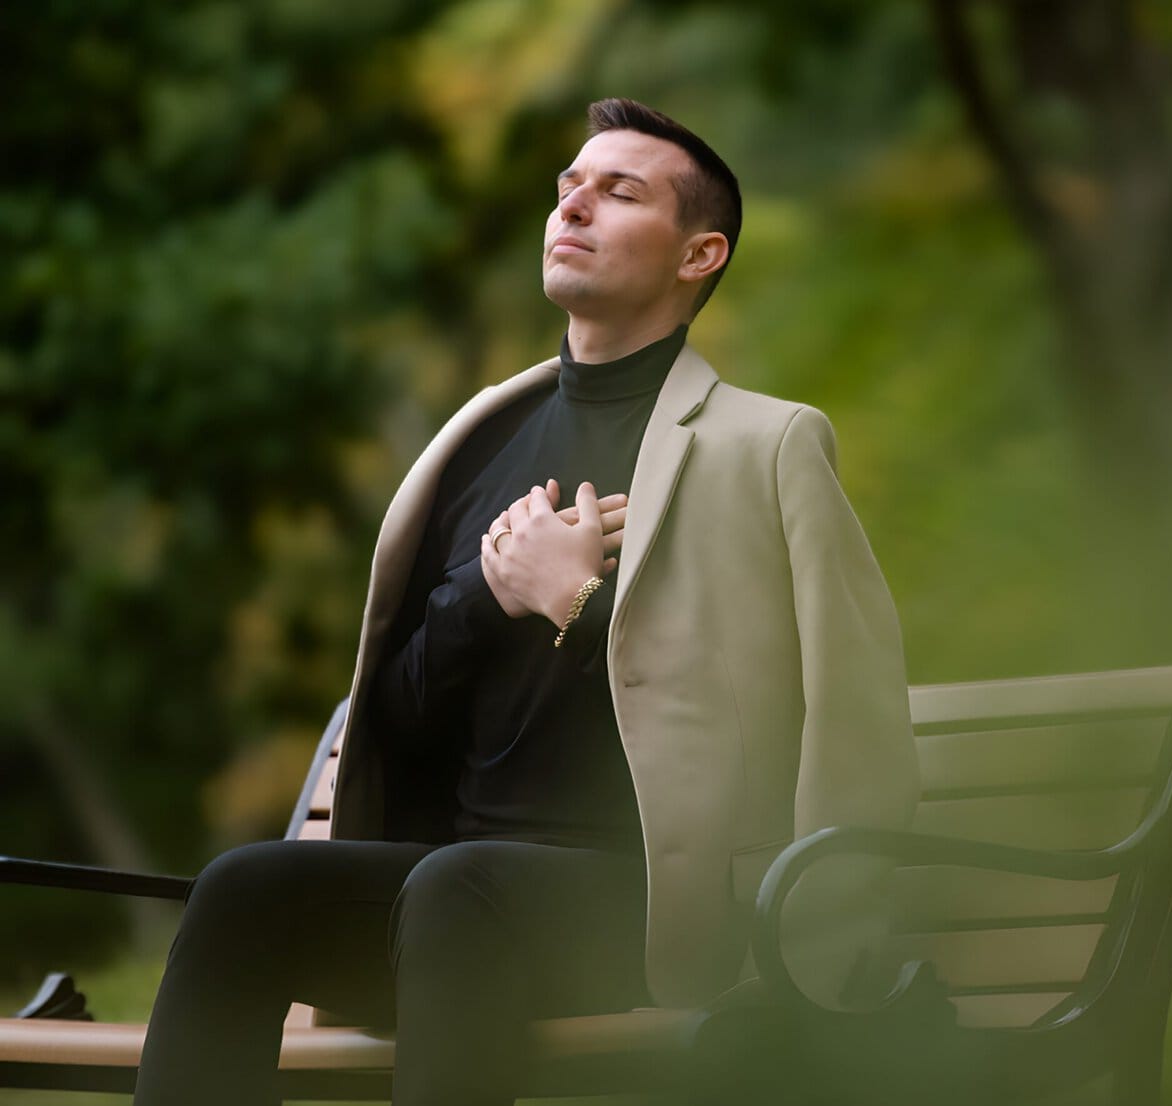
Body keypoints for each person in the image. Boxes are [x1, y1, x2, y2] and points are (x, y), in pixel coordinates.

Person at [132, 98, 917, 1106]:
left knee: (462, 886)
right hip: (452, 903)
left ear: (698, 254)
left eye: (617, 191)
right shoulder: (479, 440)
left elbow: (848, 712)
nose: (573, 205)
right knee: (246, 885)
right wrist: (486, 596)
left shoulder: (765, 447)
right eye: (567, 188)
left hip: (659, 914)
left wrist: (577, 599)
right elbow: (401, 716)